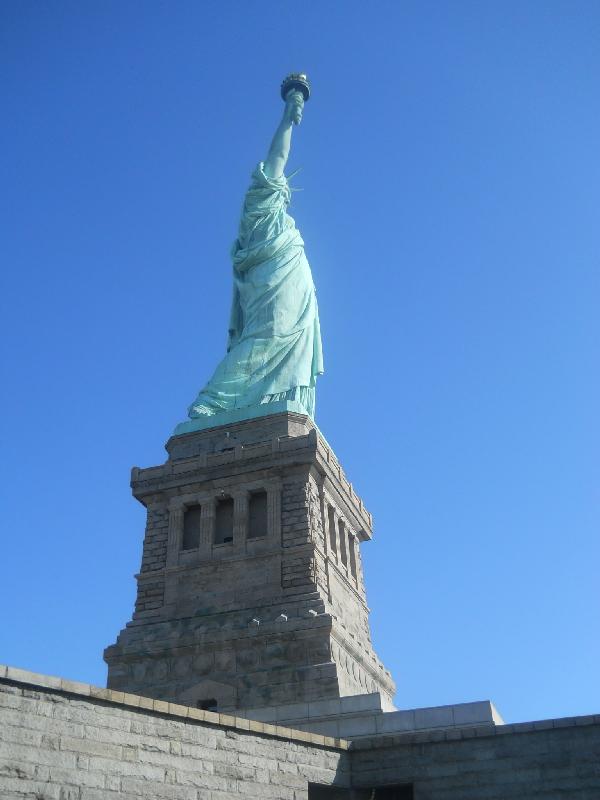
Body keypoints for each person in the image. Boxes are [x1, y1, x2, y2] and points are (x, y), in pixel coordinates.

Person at [186, 88, 323, 421]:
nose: (283, 190)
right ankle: (214, 399)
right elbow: (278, 155)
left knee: (288, 338)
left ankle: (278, 397)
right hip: (270, 279)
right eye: (279, 185)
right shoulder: (260, 206)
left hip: (293, 280)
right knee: (267, 336)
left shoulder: (284, 224)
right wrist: (289, 118)